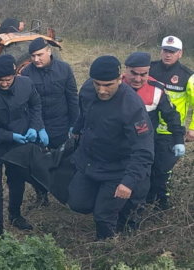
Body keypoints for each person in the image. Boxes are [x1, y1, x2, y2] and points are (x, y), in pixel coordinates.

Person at [68, 55, 154, 240]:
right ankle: (105, 202)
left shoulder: (131, 105)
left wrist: (128, 182)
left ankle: (105, 250)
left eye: (108, 85)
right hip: (89, 161)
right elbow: (83, 113)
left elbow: (144, 148)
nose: (102, 90)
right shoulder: (87, 90)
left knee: (103, 216)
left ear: (120, 79)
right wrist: (76, 129)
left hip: (116, 168)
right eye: (97, 84)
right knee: (77, 203)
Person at [0, 54, 45, 236]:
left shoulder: (26, 84)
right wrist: (10, 136)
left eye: (8, 80)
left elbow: (35, 105)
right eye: (0, 80)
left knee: (17, 181)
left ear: (15, 75)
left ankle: (15, 215)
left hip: (17, 145)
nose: (4, 84)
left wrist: (36, 127)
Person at [123, 52, 186, 211]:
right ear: (126, 70)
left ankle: (140, 211)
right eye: (134, 74)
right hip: (118, 142)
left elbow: (171, 115)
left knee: (144, 178)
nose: (138, 79)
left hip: (144, 143)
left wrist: (178, 139)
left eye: (143, 74)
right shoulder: (115, 85)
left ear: (148, 71)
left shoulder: (157, 90)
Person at [21, 37, 79, 208]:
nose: (36, 59)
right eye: (32, 56)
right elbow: (28, 104)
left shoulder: (64, 70)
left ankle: (66, 195)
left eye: (39, 54)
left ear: (49, 51)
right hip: (40, 126)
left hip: (61, 124)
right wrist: (37, 127)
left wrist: (74, 125)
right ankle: (41, 196)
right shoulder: (26, 73)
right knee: (38, 163)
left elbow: (72, 98)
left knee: (63, 162)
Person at [148, 36, 194, 209]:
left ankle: (162, 206)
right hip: (148, 128)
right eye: (165, 51)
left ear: (180, 54)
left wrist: (192, 128)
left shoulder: (188, 76)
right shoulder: (149, 69)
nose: (168, 55)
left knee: (162, 170)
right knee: (147, 167)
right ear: (160, 51)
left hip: (170, 132)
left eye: (172, 52)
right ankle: (145, 202)